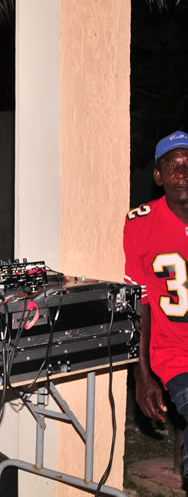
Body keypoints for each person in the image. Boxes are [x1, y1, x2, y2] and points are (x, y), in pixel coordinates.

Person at [126, 130, 188, 478]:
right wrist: (142, 372)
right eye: (173, 166)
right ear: (158, 176)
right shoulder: (141, 223)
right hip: (176, 354)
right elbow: (141, 301)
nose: (182, 173)